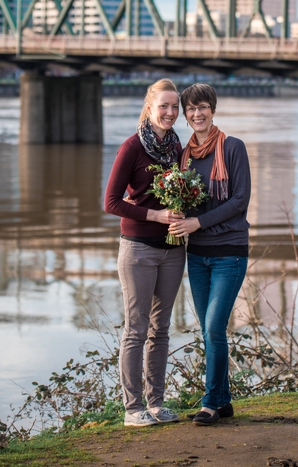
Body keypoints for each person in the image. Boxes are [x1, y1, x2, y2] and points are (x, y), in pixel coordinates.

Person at [167, 83, 251, 427]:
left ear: (212, 109)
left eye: (202, 107)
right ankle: (224, 401)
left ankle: (209, 404)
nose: (197, 114)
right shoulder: (183, 156)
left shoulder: (233, 147)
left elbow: (239, 201)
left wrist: (198, 222)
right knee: (208, 330)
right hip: (197, 255)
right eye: (190, 110)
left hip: (229, 253)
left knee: (215, 327)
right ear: (185, 116)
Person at [104, 78, 186, 427]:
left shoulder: (178, 147)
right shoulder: (132, 147)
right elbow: (110, 202)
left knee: (161, 330)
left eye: (174, 107)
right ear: (150, 108)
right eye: (163, 106)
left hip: (172, 250)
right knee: (136, 330)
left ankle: (156, 405)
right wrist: (155, 215)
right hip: (137, 249)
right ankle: (132, 409)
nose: (170, 113)